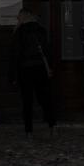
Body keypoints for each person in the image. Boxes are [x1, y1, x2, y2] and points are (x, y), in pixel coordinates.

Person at [11, 9, 56, 137]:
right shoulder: (41, 30)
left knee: (27, 101)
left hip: (25, 69)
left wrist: (13, 74)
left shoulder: (19, 32)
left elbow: (15, 54)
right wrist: (50, 66)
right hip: (40, 68)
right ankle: (52, 125)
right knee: (45, 98)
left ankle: (29, 130)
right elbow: (47, 49)